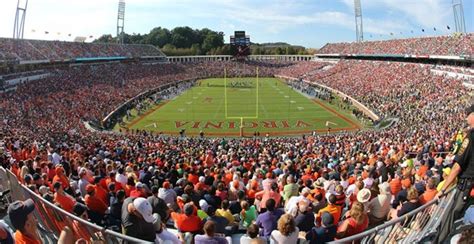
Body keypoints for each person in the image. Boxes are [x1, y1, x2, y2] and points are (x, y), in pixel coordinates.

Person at [438, 104, 474, 240]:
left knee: (450, 216)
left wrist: (442, 190)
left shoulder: (470, 137)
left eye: (468, 115)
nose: (466, 118)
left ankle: (440, 240)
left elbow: (457, 166)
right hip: (470, 187)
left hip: (466, 186)